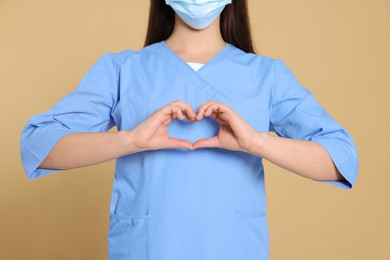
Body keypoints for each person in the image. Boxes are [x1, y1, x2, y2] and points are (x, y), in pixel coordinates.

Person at [20, 0, 359, 259]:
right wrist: (131, 140)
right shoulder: (123, 69)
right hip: (148, 249)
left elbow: (341, 159)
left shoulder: (266, 75)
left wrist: (256, 142)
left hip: (234, 248)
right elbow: (38, 144)